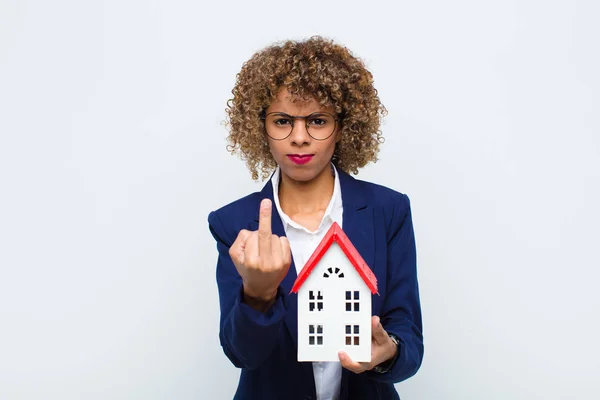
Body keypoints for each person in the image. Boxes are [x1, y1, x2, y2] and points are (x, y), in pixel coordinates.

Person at [208, 36, 423, 400]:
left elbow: (409, 338)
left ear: (343, 125)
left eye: (318, 121)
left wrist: (389, 353)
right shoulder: (233, 222)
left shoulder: (389, 210)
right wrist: (257, 295)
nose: (300, 138)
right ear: (261, 126)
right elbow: (242, 354)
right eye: (282, 121)